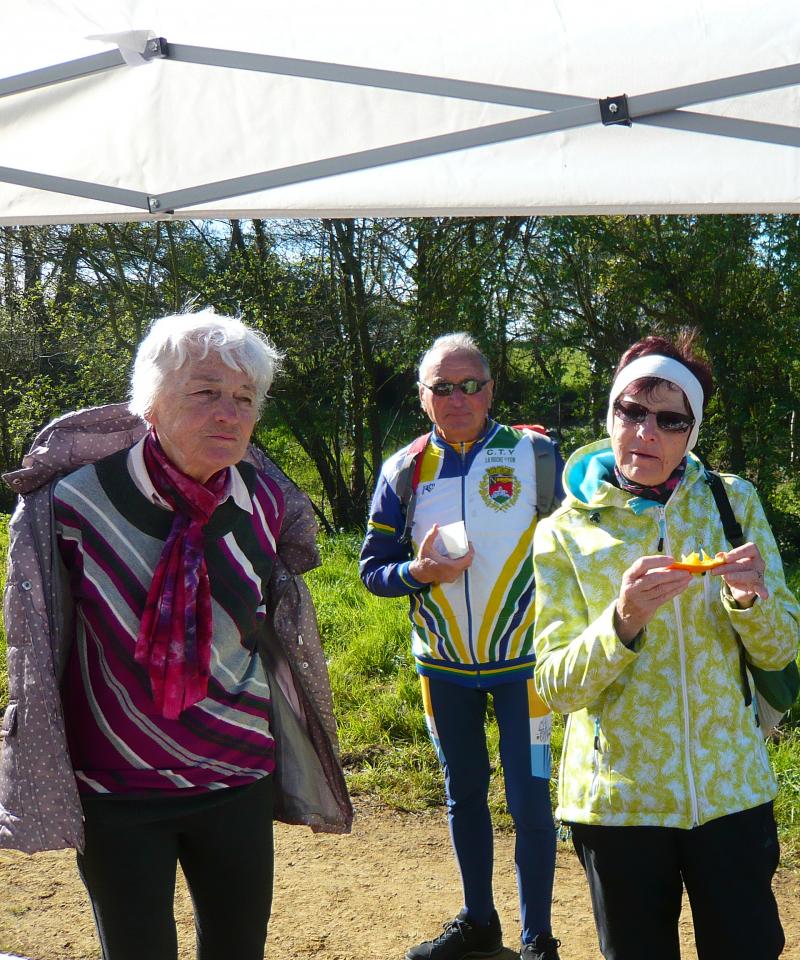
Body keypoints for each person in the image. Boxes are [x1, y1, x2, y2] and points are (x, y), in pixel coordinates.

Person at [0, 310, 352, 960]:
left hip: (236, 775)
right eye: (206, 392)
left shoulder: (267, 504)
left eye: (245, 398)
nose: (229, 413)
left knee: (238, 949)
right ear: (152, 404)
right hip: (118, 788)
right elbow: (39, 639)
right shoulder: (74, 504)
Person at [531, 332, 800, 960]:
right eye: (632, 411)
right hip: (619, 803)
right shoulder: (565, 532)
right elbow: (556, 686)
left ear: (692, 432)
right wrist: (621, 621)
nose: (646, 433)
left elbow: (781, 647)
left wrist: (748, 601)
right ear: (611, 415)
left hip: (730, 789)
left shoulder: (733, 502)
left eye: (670, 419)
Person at [360, 332, 563, 960]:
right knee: (463, 793)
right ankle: (481, 921)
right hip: (442, 670)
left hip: (525, 666)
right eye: (442, 387)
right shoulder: (404, 468)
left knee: (531, 799)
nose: (458, 397)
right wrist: (417, 575)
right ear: (423, 398)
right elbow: (373, 571)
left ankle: (538, 939)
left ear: (491, 389)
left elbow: (578, 547)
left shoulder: (534, 456)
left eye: (470, 383)